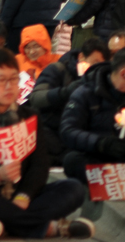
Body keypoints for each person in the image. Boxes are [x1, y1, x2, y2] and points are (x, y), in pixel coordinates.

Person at [0, 48, 93, 241]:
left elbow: (40, 165)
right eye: (1, 80)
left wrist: (24, 196)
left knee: (74, 189)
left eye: (13, 79)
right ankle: (48, 229)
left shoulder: (29, 116)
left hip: (23, 196)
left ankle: (3, 225)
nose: (9, 86)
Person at [60, 46, 125, 184]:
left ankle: (111, 179)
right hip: (94, 155)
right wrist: (100, 143)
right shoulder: (85, 93)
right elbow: (67, 131)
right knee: (72, 160)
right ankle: (117, 180)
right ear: (124, 74)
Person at [30, 37, 110, 166]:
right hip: (52, 129)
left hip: (78, 132)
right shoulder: (57, 70)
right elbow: (36, 98)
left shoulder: (100, 80)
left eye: (100, 65)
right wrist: (64, 92)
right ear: (81, 57)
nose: (96, 68)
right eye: (94, 62)